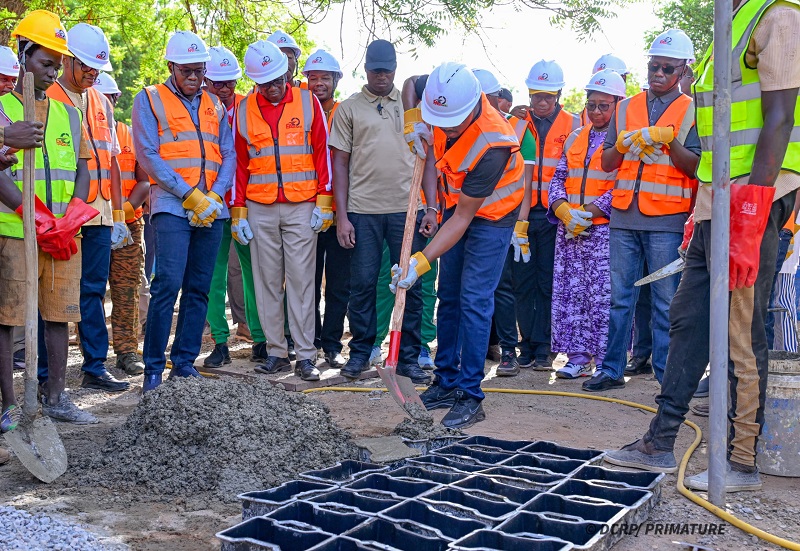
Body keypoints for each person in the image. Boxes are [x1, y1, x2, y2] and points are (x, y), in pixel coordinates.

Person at [605, 3, 800, 490]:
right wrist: (704, 208)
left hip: (754, 195)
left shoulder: (778, 14)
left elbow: (779, 118)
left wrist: (752, 209)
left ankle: (740, 461)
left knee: (740, 332)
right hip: (719, 198)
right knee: (689, 319)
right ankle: (659, 441)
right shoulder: (729, 21)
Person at [393, 62, 525, 428]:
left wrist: (418, 263)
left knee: (474, 300)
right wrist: (412, 123)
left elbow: (464, 219)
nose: (445, 128)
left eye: (451, 123)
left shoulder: (494, 143)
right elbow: (410, 84)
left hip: (493, 215)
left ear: (473, 106)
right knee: (448, 295)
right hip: (457, 203)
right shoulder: (441, 89)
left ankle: (470, 394)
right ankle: (446, 382)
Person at [586, 29, 701, 392]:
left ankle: (667, 381)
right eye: (654, 66)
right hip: (624, 216)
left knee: (666, 302)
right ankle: (611, 370)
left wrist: (668, 141)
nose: (659, 74)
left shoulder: (693, 109)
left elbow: (696, 167)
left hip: (667, 219)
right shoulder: (625, 107)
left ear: (683, 70)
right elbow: (607, 162)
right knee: (620, 299)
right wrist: (621, 145)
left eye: (668, 68)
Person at [0, 9, 100, 426]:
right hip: (15, 232)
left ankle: (56, 396)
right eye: (45, 62)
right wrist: (32, 215)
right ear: (23, 55)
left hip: (62, 235)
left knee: (60, 314)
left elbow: (83, 169)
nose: (53, 72)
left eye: (57, 64)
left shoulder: (68, 113)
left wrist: (73, 212)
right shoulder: (3, 110)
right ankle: (9, 404)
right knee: (8, 318)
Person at [329, 39, 438, 384]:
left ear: (395, 70)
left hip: (407, 210)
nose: (382, 77)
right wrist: (342, 216)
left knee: (411, 285)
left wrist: (431, 207)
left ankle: (407, 358)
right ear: (365, 70)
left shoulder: (413, 109)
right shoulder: (349, 109)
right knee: (362, 284)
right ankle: (361, 352)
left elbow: (429, 160)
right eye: (376, 71)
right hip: (363, 211)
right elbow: (339, 164)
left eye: (388, 71)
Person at [132, 31, 235, 392]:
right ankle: (153, 369)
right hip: (172, 207)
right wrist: (189, 195)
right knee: (168, 285)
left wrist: (215, 196)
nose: (193, 78)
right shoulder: (149, 99)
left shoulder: (215, 104)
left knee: (199, 288)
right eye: (186, 71)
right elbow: (147, 154)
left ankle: (184, 363)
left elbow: (228, 153)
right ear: (171, 67)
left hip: (212, 210)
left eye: (199, 71)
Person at [232, 40, 331, 382]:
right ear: (255, 82)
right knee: (266, 283)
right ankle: (276, 352)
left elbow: (322, 152)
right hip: (259, 208)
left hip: (302, 206)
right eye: (265, 84)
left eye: (277, 80)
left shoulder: (307, 102)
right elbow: (239, 164)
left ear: (286, 74)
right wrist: (238, 212)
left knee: (302, 283)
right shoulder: (243, 110)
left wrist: (325, 202)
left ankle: (305, 356)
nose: (273, 88)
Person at [46, 23, 132, 392]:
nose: (92, 74)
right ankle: (46, 376)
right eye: (87, 67)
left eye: (97, 69)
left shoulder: (101, 101)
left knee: (94, 290)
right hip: (61, 212)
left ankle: (94, 367)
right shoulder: (48, 96)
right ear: (68, 60)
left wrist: (117, 214)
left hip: (98, 212)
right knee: (54, 293)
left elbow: (112, 160)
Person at [548, 70, 625, 379]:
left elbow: (622, 184)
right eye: (591, 105)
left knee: (603, 297)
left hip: (603, 230)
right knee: (573, 294)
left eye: (603, 106)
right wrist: (563, 210)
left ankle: (606, 360)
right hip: (570, 231)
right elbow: (559, 177)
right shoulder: (576, 136)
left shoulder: (622, 140)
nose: (596, 111)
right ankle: (578, 357)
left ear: (618, 104)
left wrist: (587, 213)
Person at [510, 60, 580, 370]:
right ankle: (526, 344)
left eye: (548, 96)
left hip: (556, 215)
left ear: (559, 95)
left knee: (548, 282)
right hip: (521, 215)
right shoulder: (517, 123)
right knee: (522, 282)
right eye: (537, 95)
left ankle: (545, 347)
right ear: (529, 93)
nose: (542, 102)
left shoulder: (574, 123)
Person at [201, 45, 267, 369]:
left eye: (230, 82)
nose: (225, 89)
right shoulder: (198, 109)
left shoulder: (248, 107)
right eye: (218, 83)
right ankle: (219, 342)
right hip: (210, 205)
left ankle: (261, 339)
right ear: (206, 82)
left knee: (255, 273)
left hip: (245, 205)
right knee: (213, 276)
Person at [472, 68, 536, 377]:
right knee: (467, 289)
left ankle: (509, 350)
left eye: (488, 98)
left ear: (498, 98)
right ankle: (471, 349)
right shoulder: (459, 126)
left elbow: (526, 183)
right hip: (467, 218)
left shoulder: (519, 130)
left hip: (503, 221)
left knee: (502, 286)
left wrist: (520, 226)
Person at [93, 73, 150, 377]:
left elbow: (144, 180)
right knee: (90, 291)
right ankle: (93, 355)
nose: (105, 104)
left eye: (109, 98)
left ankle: (127, 351)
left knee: (127, 290)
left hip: (128, 225)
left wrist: (124, 212)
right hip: (92, 225)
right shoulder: (82, 131)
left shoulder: (129, 135)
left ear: (115, 99)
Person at [304, 49, 352, 369]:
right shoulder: (298, 110)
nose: (318, 83)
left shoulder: (345, 112)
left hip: (341, 211)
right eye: (313, 78)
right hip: (307, 209)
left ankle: (332, 344)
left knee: (338, 283)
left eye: (325, 78)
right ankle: (310, 340)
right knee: (306, 281)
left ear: (336, 80)